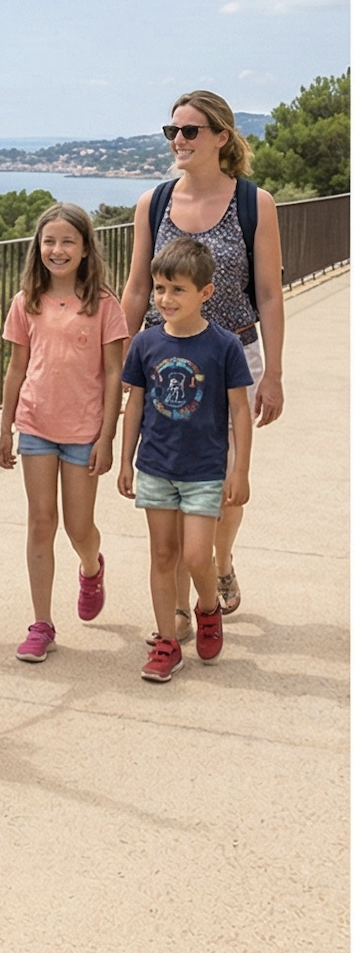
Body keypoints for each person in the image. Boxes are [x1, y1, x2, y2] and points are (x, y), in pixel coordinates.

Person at [120, 90, 283, 642]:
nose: (179, 141)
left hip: (233, 353)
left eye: (190, 131)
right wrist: (118, 360)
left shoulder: (253, 203)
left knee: (224, 477)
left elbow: (268, 292)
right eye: (173, 132)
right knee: (168, 471)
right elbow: (139, 285)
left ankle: (218, 561)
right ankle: (182, 610)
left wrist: (276, 373)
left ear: (221, 136)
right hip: (163, 359)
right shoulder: (155, 201)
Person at [118, 237, 254, 682]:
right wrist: (125, 461)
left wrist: (241, 470)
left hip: (204, 469)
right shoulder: (144, 344)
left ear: (205, 293)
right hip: (156, 465)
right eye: (159, 289)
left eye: (177, 290)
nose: (165, 299)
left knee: (197, 556)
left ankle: (208, 608)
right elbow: (134, 405)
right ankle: (166, 643)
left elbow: (238, 411)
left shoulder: (224, 346)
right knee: (162, 554)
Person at [0, 203, 128, 662]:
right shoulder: (25, 302)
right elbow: (16, 370)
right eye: (49, 241)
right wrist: (5, 429)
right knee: (40, 523)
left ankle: (91, 567)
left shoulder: (104, 304)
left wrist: (107, 436)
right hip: (35, 426)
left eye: (68, 241)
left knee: (77, 526)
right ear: (38, 247)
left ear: (86, 249)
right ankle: (41, 624)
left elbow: (115, 373)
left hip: (82, 432)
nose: (57, 250)